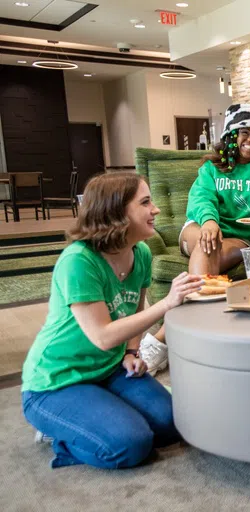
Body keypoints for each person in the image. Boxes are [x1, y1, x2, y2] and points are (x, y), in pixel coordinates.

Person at [21, 172, 203, 469]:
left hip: (110, 369)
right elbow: (103, 337)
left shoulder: (140, 253)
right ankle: (60, 434)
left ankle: (100, 412)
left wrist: (132, 351)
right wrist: (168, 303)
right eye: (145, 202)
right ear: (117, 212)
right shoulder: (78, 261)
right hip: (56, 382)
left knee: (175, 424)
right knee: (131, 444)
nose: (155, 209)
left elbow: (133, 311)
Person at [140, 104, 250, 374]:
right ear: (231, 136)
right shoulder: (211, 168)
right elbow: (202, 199)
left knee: (211, 245)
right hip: (199, 227)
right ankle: (183, 334)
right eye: (245, 132)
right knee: (207, 240)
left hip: (240, 238)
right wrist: (210, 221)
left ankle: (165, 337)